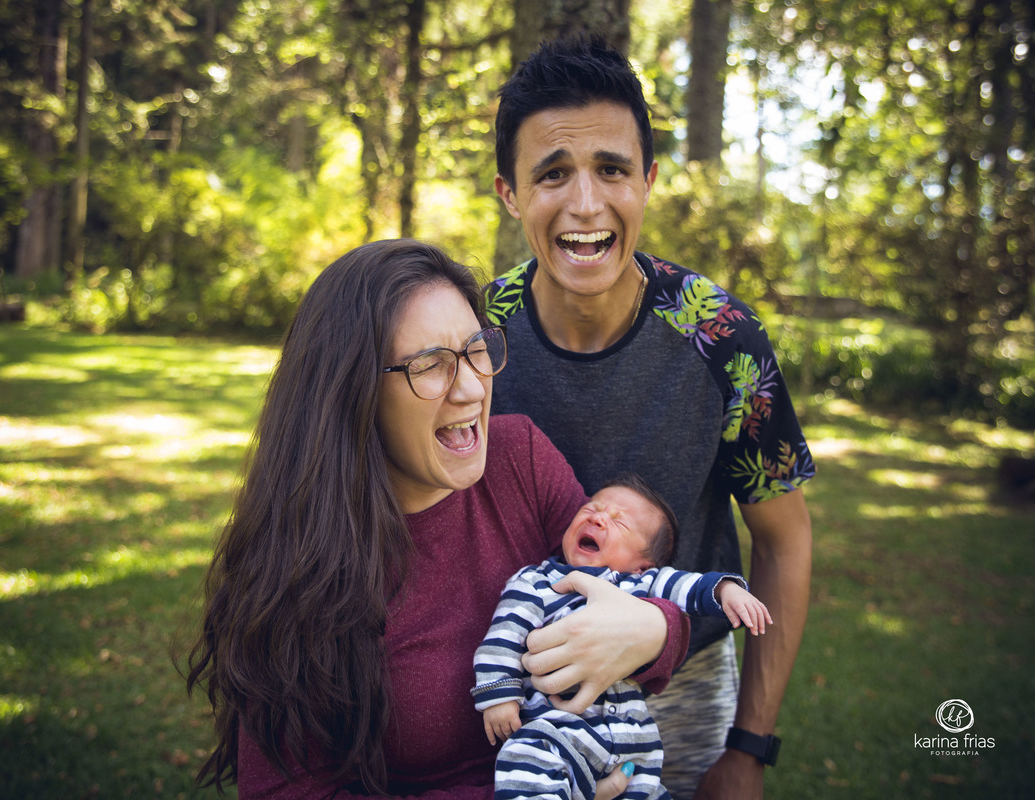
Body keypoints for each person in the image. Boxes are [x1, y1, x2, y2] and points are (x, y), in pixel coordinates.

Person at [184, 239, 691, 800]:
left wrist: (655, 630)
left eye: (477, 349)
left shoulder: (519, 457)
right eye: (429, 365)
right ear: (353, 391)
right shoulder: (294, 568)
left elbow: (622, 583)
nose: (472, 388)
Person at [485, 36, 816, 800]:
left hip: (683, 693)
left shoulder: (722, 338)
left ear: (649, 180)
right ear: (509, 193)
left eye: (612, 170)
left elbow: (784, 539)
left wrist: (750, 747)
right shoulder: (479, 337)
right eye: (552, 174)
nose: (586, 204)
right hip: (518, 695)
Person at [473, 474, 772, 800]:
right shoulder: (538, 581)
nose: (598, 517)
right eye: (591, 508)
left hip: (632, 738)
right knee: (526, 760)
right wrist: (499, 696)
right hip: (557, 731)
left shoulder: (640, 586)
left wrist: (725, 590)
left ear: (643, 566)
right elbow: (504, 634)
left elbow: (688, 586)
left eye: (620, 522)